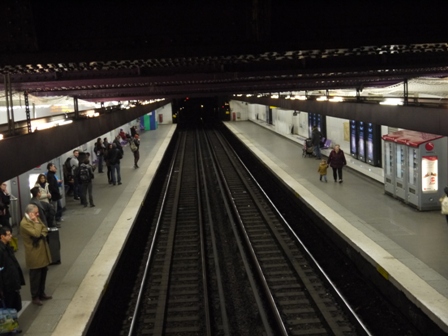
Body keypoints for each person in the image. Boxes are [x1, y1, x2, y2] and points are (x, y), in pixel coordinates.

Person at [20, 204, 52, 306]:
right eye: (36, 213)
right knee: (35, 276)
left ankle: (42, 293)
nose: (38, 214)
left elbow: (44, 229)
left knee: (43, 272)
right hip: (34, 253)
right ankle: (35, 296)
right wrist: (37, 223)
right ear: (30, 213)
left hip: (42, 250)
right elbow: (36, 233)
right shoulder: (24, 223)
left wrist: (40, 232)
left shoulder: (36, 218)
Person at [0, 227, 25, 313]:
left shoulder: (7, 247)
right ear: (2, 236)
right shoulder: (1, 250)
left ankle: (13, 324)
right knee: (9, 307)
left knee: (16, 306)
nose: (11, 236)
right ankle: (11, 325)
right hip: (7, 285)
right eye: (8, 234)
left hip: (12, 283)